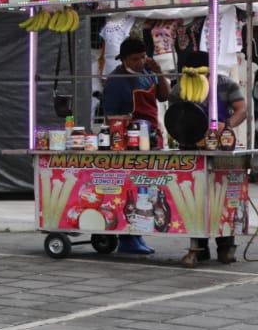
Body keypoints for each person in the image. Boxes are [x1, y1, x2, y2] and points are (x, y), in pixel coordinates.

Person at [169, 50, 246, 267]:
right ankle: (198, 247)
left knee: (221, 197)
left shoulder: (226, 84)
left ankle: (226, 246)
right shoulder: (180, 88)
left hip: (220, 149)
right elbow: (173, 116)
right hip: (190, 148)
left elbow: (242, 110)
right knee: (194, 198)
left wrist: (227, 125)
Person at [101, 37, 168, 256]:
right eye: (135, 58)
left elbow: (164, 95)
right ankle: (128, 238)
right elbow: (110, 116)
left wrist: (158, 72)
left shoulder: (148, 73)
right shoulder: (116, 80)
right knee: (131, 191)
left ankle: (137, 233)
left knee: (146, 191)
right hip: (130, 143)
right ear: (124, 58)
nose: (140, 62)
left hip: (152, 138)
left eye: (142, 57)